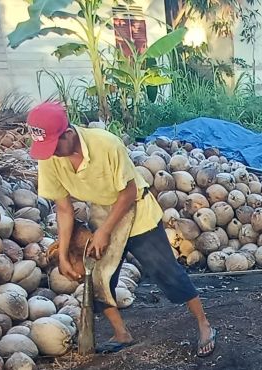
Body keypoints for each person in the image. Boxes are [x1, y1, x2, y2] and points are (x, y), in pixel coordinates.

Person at [26, 101, 217, 356]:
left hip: (135, 209)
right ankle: (121, 333)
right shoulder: (50, 158)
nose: (51, 153)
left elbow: (127, 193)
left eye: (53, 146)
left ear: (69, 134)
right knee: (98, 278)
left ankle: (204, 324)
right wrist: (62, 255)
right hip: (100, 211)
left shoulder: (106, 144)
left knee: (166, 272)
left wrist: (104, 232)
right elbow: (64, 208)